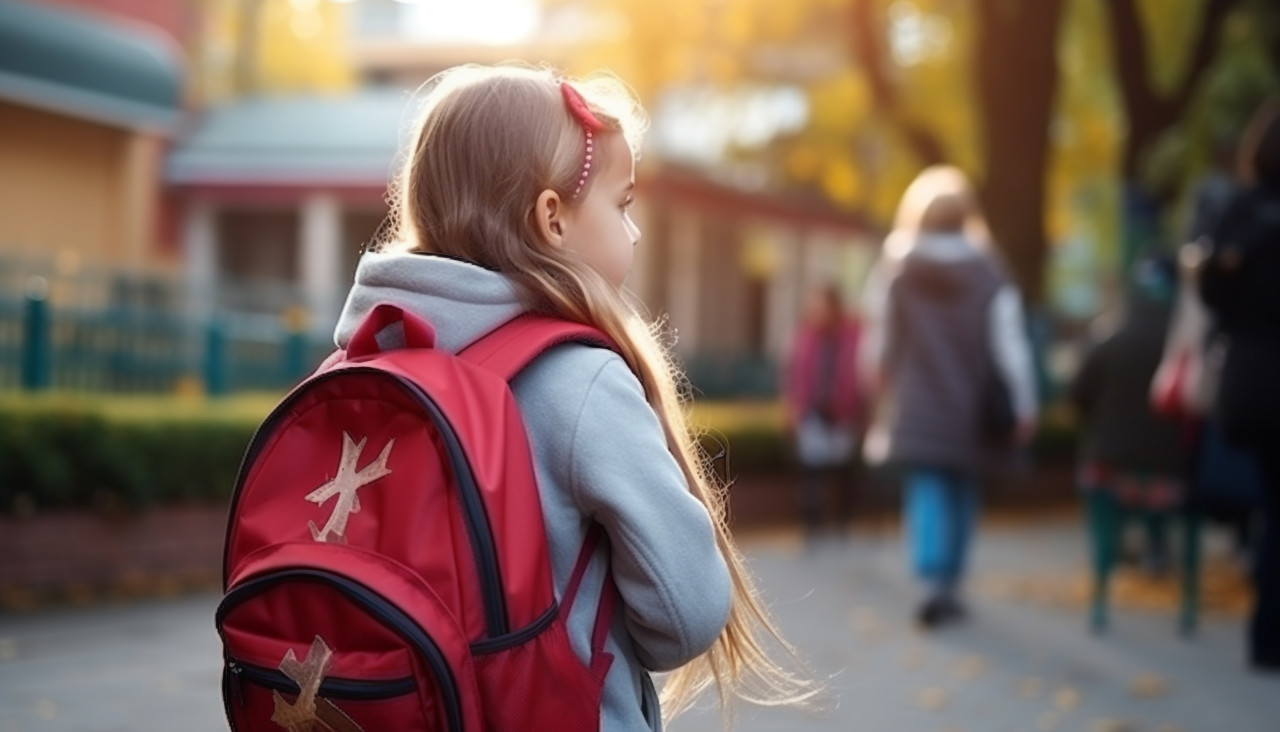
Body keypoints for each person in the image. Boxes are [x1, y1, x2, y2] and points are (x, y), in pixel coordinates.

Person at [330, 65, 815, 729]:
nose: (635, 232)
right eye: (622, 204)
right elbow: (689, 612)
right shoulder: (578, 383)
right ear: (552, 218)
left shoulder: (356, 365)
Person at [859, 165, 1038, 628]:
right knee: (963, 489)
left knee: (928, 488)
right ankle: (951, 582)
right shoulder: (988, 272)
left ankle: (933, 580)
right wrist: (1024, 403)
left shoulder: (897, 269)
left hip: (917, 402)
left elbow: (879, 338)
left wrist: (875, 379)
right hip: (972, 406)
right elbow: (1010, 345)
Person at [1199, 100, 1280, 672]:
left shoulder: (1241, 211)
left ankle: (1265, 633)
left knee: (1274, 506)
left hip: (1253, 379)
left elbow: (1212, 298)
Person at [1071, 256, 1185, 625]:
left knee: (1110, 473)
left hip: (1109, 465)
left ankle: (1109, 551)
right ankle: (1155, 543)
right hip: (1173, 470)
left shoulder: (1109, 340)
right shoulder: (1182, 344)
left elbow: (1079, 397)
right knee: (1158, 473)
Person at [782, 284, 862, 542]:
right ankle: (812, 526)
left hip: (842, 412)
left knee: (843, 471)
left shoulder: (852, 337)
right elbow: (793, 376)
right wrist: (793, 407)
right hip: (812, 413)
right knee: (811, 472)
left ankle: (843, 523)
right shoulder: (804, 339)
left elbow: (860, 375)